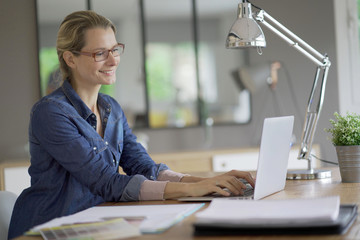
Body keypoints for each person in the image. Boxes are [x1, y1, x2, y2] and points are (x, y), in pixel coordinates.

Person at [8, 10, 255, 239]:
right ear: (70, 58)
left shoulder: (111, 108)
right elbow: (106, 181)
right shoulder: (51, 112)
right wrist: (193, 190)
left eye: (115, 50)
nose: (113, 61)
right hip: (49, 229)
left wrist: (204, 182)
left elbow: (142, 166)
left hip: (96, 223)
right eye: (100, 53)